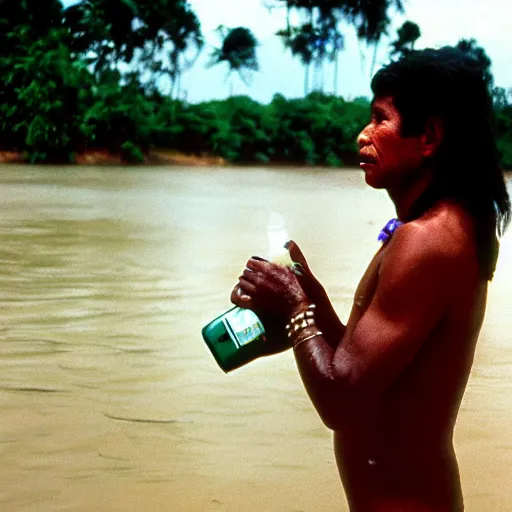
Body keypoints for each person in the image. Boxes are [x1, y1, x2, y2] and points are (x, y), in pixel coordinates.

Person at [230, 47, 511, 511]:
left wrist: (297, 310)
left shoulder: (429, 240)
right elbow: (367, 381)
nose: (363, 135)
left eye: (380, 119)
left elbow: (339, 402)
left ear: (429, 137)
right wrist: (307, 300)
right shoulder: (434, 228)